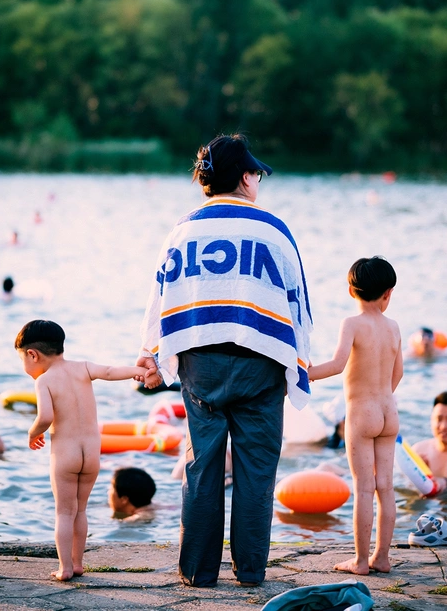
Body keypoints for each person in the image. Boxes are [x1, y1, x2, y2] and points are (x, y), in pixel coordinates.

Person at [137, 133, 313, 588]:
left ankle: (198, 571)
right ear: (246, 178)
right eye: (256, 174)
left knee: (202, 467)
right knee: (256, 470)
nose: (258, 181)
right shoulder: (272, 228)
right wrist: (299, 361)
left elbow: (161, 297)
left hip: (202, 364)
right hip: (260, 362)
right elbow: (295, 302)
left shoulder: (183, 230)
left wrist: (150, 352)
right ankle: (250, 571)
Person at [15, 319, 157, 582]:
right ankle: (79, 564)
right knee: (80, 511)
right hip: (91, 455)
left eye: (22, 359)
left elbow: (45, 417)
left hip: (66, 456)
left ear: (32, 354)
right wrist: (140, 371)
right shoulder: (83, 368)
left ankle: (65, 567)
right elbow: (111, 371)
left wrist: (33, 432)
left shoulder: (44, 381)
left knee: (64, 512)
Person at [308, 256, 403, 575]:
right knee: (385, 486)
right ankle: (382, 557)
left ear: (351, 291)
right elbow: (398, 373)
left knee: (364, 487)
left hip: (362, 415)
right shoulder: (394, 327)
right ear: (388, 293)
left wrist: (306, 374)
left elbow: (337, 365)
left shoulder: (352, 323)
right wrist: (382, 397)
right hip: (389, 412)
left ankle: (361, 561)